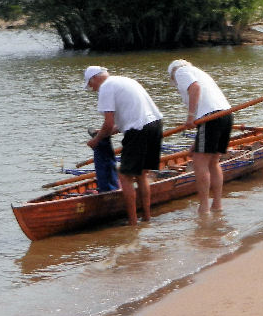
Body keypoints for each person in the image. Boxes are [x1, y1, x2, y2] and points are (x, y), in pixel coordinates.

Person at [84, 66, 163, 225]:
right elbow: (124, 120)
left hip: (139, 129)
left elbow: (108, 123)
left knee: (124, 176)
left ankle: (133, 223)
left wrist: (96, 140)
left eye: (90, 85)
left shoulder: (105, 87)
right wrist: (105, 132)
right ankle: (146, 218)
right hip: (155, 124)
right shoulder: (125, 80)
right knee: (141, 175)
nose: (92, 89)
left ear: (94, 79)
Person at [168, 60, 233, 214]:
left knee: (199, 161)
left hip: (210, 118)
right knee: (213, 161)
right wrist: (196, 143)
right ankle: (217, 205)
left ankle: (203, 207)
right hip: (226, 115)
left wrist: (190, 117)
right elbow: (205, 103)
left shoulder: (180, 71)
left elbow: (195, 89)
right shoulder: (199, 72)